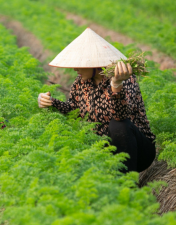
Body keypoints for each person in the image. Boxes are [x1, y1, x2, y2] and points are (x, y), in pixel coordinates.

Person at [38, 28, 155, 173]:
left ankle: (128, 183)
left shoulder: (125, 79)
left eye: (79, 64)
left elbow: (120, 117)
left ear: (94, 64)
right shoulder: (80, 83)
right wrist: (50, 102)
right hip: (103, 149)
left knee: (118, 126)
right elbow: (73, 110)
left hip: (137, 151)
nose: (75, 69)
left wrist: (116, 86)